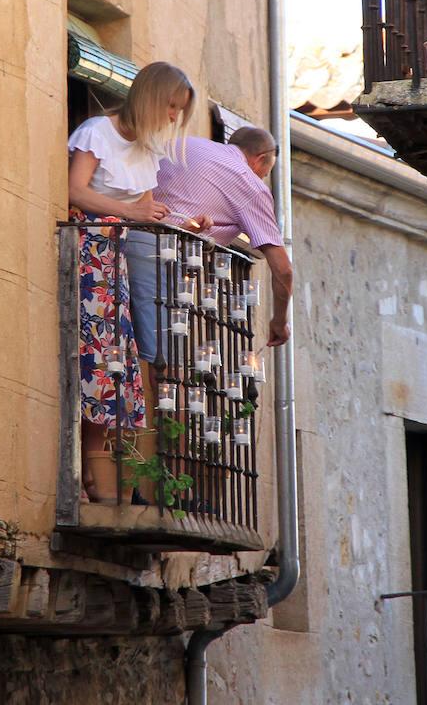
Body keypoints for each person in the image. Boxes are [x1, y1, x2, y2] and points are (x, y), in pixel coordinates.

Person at [67, 61, 195, 500]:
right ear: (151, 98)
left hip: (113, 261)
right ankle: (87, 472)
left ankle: (95, 473)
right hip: (87, 255)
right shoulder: (96, 133)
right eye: (172, 106)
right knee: (93, 356)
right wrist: (132, 214)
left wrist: (183, 224)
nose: (175, 117)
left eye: (181, 110)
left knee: (111, 362)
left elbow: (147, 208)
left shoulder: (147, 149)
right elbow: (75, 191)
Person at [135, 125, 293, 359]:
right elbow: (283, 269)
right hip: (163, 260)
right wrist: (279, 321)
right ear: (260, 160)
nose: (261, 178)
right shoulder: (250, 184)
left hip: (123, 240)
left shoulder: (183, 143)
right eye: (264, 172)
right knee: (162, 359)